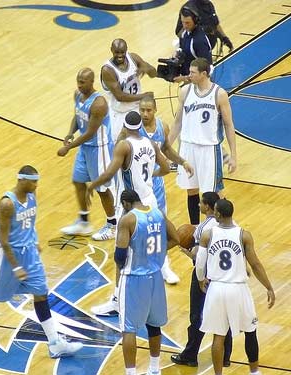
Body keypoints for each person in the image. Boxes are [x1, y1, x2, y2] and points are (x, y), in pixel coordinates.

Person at [0, 166, 82, 359]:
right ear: (21, 180)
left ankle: (54, 343)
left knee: (40, 294)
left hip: (29, 253)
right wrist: (16, 266)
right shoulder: (6, 204)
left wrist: (34, 241)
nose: (36, 185)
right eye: (33, 181)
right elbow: (3, 240)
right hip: (5, 256)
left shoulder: (32, 195)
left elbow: (31, 223)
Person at [86, 111, 171, 316]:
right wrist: (151, 176)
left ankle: (117, 299)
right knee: (148, 249)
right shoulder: (150, 143)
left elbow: (108, 172)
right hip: (150, 201)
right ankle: (149, 295)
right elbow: (167, 167)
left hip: (132, 206)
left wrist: (92, 186)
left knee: (121, 255)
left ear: (124, 127)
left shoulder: (124, 145)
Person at [196, 198, 275, 375]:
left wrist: (201, 279)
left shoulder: (207, 234)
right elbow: (255, 264)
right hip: (238, 288)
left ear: (217, 213)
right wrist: (268, 287)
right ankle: (254, 372)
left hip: (216, 289)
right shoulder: (244, 235)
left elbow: (200, 263)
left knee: (218, 336)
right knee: (250, 330)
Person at [114, 189, 179, 375]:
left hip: (134, 279)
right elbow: (176, 238)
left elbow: (120, 256)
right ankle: (154, 369)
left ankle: (131, 373)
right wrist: (157, 253)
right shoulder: (158, 213)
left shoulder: (127, 220)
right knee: (154, 325)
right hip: (156, 277)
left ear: (126, 203)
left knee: (128, 329)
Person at [168, 58, 237, 226]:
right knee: (191, 190)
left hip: (209, 149)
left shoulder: (219, 94)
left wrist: (233, 155)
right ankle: (195, 228)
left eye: (192, 72)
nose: (188, 75)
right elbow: (178, 122)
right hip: (188, 147)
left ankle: (227, 225)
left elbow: (228, 125)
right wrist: (166, 147)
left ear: (204, 74)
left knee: (214, 192)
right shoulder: (185, 91)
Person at [171, 191, 233, 368]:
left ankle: (190, 355)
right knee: (224, 316)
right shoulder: (231, 225)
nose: (198, 205)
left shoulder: (203, 227)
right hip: (224, 276)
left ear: (207, 206)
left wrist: (187, 253)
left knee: (197, 315)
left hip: (205, 275)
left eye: (200, 203)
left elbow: (199, 257)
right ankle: (225, 357)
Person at [137, 96, 195, 284]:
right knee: (138, 227)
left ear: (155, 110)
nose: (145, 114)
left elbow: (167, 149)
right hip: (138, 186)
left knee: (159, 226)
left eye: (148, 110)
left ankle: (163, 265)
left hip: (157, 186)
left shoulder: (162, 127)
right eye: (142, 110)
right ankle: (139, 264)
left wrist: (182, 161)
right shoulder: (133, 130)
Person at [58, 68, 116, 241]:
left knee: (102, 189)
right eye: (78, 81)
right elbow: (77, 116)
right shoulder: (78, 95)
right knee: (78, 180)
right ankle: (84, 222)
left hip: (99, 148)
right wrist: (70, 133)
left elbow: (90, 132)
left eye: (83, 82)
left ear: (92, 82)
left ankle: (112, 225)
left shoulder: (99, 104)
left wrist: (68, 148)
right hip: (85, 148)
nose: (79, 85)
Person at [101, 38, 158, 142]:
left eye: (122, 52)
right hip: (119, 114)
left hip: (138, 109)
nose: (119, 55)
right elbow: (120, 96)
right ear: (111, 50)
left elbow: (154, 74)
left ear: (126, 49)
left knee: (142, 143)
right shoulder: (108, 70)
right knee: (120, 147)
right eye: (116, 52)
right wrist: (144, 96)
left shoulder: (134, 58)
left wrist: (148, 69)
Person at [173, 5, 212, 82]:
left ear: (195, 21)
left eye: (187, 23)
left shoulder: (199, 41)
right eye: (182, 22)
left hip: (201, 85)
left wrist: (184, 78)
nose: (184, 26)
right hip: (190, 81)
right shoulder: (185, 33)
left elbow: (207, 71)